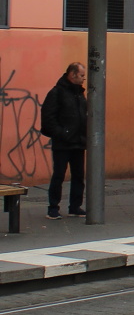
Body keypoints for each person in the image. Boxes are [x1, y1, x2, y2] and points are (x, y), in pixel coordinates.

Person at [41, 61, 88, 219]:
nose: (83, 79)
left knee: (78, 176)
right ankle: (53, 207)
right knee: (59, 175)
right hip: (63, 142)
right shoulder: (57, 93)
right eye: (82, 75)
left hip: (78, 141)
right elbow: (48, 118)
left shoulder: (79, 94)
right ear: (73, 74)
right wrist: (62, 133)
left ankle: (75, 206)